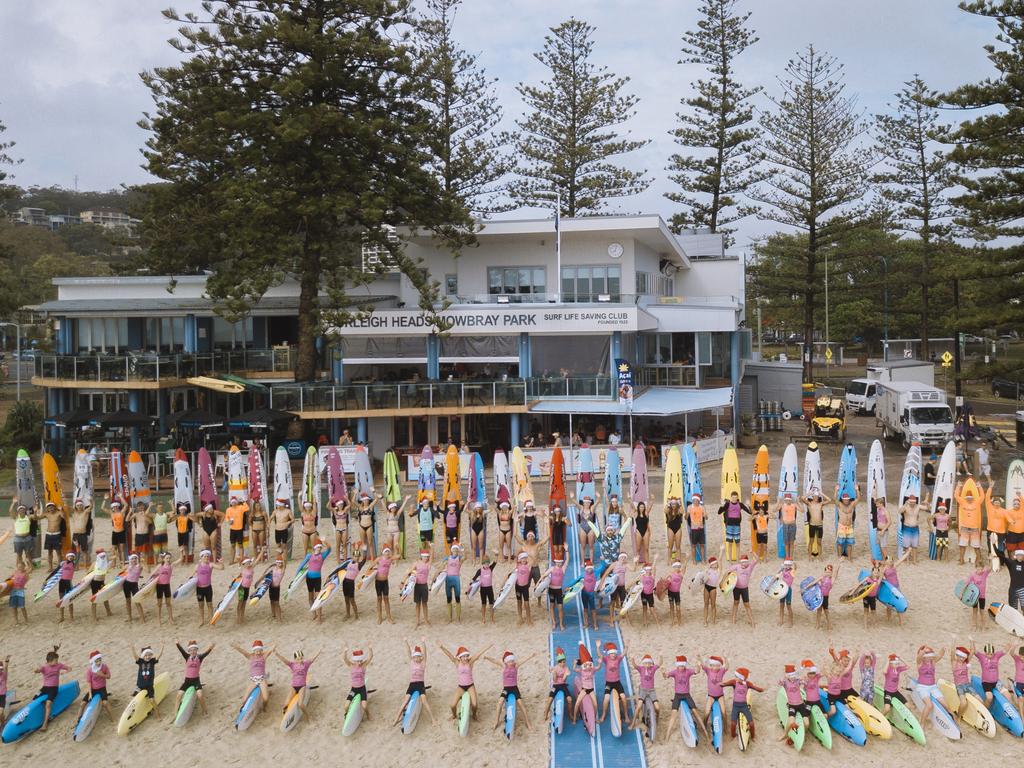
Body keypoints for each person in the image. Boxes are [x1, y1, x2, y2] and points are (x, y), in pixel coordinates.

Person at [484, 649, 537, 734]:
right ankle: (496, 722)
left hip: (514, 688)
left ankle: (528, 723)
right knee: (500, 703)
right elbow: (494, 661)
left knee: (521, 704)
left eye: (513, 661)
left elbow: (524, 660)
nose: (512, 662)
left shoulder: (516, 666)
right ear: (506, 662)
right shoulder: (503, 666)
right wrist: (487, 658)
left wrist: (531, 656)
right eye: (510, 661)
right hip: (506, 689)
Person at [439, 643, 490, 721]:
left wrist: (487, 646)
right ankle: (454, 716)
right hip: (461, 687)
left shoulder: (470, 662)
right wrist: (442, 647)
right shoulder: (457, 662)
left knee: (474, 705)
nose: (466, 658)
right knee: (452, 705)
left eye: (467, 656)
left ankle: (474, 715)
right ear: (460, 657)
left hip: (470, 686)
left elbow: (478, 653)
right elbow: (449, 655)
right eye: (464, 656)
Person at [663, 655, 709, 742]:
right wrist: (663, 673)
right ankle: (667, 735)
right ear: (677, 665)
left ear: (685, 665)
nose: (681, 667)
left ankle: (705, 732)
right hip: (677, 696)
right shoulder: (675, 672)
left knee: (695, 712)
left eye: (683, 665)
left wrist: (698, 664)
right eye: (680, 666)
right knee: (673, 715)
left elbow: (697, 671)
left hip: (687, 695)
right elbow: (665, 676)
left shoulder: (688, 671)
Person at [392, 639, 437, 727]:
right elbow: (408, 652)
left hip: (420, 684)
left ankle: (433, 719)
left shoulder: (423, 663)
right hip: (412, 685)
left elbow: (425, 653)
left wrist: (423, 642)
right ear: (413, 658)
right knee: (405, 701)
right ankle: (396, 719)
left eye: (418, 657)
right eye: (415, 657)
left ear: (421, 657)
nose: (416, 659)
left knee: (424, 701)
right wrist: (406, 642)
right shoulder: (412, 662)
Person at [275, 647, 320, 716]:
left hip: (302, 686)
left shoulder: (306, 664)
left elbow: (313, 658)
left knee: (300, 704)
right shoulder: (292, 665)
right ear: (295, 659)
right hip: (294, 687)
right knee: (285, 704)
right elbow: (284, 660)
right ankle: (286, 715)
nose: (300, 660)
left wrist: (319, 651)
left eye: (301, 658)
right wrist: (277, 654)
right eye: (298, 659)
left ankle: (308, 716)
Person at [230, 639, 274, 710]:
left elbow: (270, 650)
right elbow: (243, 652)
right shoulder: (250, 657)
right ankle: (243, 710)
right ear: (253, 650)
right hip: (253, 680)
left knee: (266, 699)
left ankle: (264, 707)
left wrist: (275, 644)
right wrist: (236, 647)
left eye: (260, 651)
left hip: (262, 679)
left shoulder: (264, 656)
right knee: (244, 700)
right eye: (257, 651)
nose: (258, 652)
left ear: (262, 650)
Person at [174, 640, 214, 716]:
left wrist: (211, 647)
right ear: (189, 651)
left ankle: (205, 710)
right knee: (179, 695)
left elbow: (206, 653)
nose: (193, 652)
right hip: (187, 681)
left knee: (200, 695)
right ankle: (175, 713)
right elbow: (181, 650)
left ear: (197, 650)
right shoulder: (187, 657)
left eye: (195, 650)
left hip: (196, 680)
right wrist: (177, 643)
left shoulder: (200, 657)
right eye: (191, 650)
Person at [35, 645, 71, 731]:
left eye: (57, 660)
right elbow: (36, 670)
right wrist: (37, 669)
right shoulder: (44, 667)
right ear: (49, 662)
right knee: (35, 699)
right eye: (56, 660)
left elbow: (69, 668)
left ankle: (45, 724)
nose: (57, 662)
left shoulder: (58, 665)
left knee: (48, 704)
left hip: (53, 689)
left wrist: (64, 673)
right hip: (45, 688)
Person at [628, 653, 661, 738]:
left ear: (651, 663)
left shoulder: (653, 669)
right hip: (643, 691)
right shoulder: (641, 669)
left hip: (651, 691)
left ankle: (657, 719)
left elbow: (660, 663)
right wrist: (632, 659)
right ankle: (633, 723)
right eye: (645, 663)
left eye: (649, 663)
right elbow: (635, 666)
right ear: (643, 663)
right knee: (638, 707)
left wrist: (660, 656)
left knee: (657, 708)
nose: (647, 665)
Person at [913, 645, 945, 731]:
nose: (929, 657)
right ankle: (922, 723)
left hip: (933, 687)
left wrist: (943, 648)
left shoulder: (933, 662)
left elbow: (941, 655)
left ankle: (952, 717)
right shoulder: (919, 662)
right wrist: (924, 650)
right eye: (928, 655)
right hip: (923, 687)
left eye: (930, 655)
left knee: (945, 704)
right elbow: (919, 656)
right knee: (929, 705)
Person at [129, 643, 164, 719]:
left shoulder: (152, 661)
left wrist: (162, 647)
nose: (147, 657)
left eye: (149, 655)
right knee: (135, 700)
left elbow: (159, 656)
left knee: (152, 700)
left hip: (149, 686)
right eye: (146, 655)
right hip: (140, 685)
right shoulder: (140, 661)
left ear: (151, 655)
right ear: (143, 656)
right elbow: (135, 656)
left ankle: (158, 715)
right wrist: (132, 649)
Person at [193, 549, 224, 627]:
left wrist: (222, 563)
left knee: (209, 604)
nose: (206, 558)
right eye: (205, 556)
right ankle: (202, 620)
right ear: (201, 557)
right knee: (201, 605)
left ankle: (211, 620)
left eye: (208, 556)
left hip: (208, 588)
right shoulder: (197, 566)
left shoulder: (211, 565)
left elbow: (221, 568)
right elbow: (193, 577)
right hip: (199, 589)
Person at [955, 480, 984, 565]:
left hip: (974, 528)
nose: (969, 499)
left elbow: (982, 496)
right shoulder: (962, 502)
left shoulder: (977, 502)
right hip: (964, 527)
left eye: (970, 498)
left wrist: (979, 487)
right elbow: (956, 496)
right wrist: (958, 486)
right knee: (962, 545)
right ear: (966, 498)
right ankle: (961, 560)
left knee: (976, 546)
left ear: (973, 498)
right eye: (968, 498)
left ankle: (979, 560)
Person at [779, 663, 807, 747]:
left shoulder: (798, 681)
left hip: (801, 704)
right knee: (791, 722)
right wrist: (785, 676)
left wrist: (802, 674)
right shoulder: (785, 683)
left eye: (793, 675)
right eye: (790, 675)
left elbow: (804, 682)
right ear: (787, 676)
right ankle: (785, 734)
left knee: (807, 723)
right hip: (792, 706)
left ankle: (803, 734)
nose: (792, 677)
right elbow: (779, 682)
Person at [342, 646, 374, 720]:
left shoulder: (364, 665)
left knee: (364, 706)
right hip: (354, 690)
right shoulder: (351, 665)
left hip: (362, 689)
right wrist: (345, 651)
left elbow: (371, 656)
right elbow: (344, 659)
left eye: (360, 660)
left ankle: (368, 714)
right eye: (358, 661)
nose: (359, 662)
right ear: (354, 660)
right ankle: (347, 714)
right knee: (346, 706)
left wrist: (370, 648)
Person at [700, 654, 729, 734]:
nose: (715, 668)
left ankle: (726, 728)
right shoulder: (708, 671)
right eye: (713, 666)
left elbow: (727, 667)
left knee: (723, 712)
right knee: (706, 712)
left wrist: (726, 659)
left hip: (720, 696)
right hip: (711, 696)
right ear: (711, 665)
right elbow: (703, 665)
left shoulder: (721, 671)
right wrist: (699, 658)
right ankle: (704, 726)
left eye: (717, 666)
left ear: (719, 666)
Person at [728, 551, 758, 628]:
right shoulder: (737, 566)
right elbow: (728, 571)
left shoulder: (750, 567)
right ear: (740, 563)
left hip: (744, 589)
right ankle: (733, 619)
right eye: (742, 563)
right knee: (736, 603)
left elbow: (756, 559)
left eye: (745, 563)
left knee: (747, 605)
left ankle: (752, 621)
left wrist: (753, 552)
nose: (743, 564)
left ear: (747, 562)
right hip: (736, 588)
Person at [973, 639, 1005, 708]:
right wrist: (972, 642)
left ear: (993, 652)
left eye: (991, 654)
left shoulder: (997, 655)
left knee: (1007, 695)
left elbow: (1005, 651)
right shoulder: (982, 657)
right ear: (985, 652)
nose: (989, 655)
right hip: (986, 682)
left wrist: (1012, 644)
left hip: (996, 682)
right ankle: (985, 709)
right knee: (989, 698)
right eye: (987, 654)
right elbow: (974, 651)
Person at [718, 492, 748, 564]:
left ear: (737, 498)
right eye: (733, 497)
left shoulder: (740, 504)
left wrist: (749, 505)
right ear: (731, 498)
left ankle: (738, 560)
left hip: (737, 526)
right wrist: (722, 505)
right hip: (729, 526)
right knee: (730, 544)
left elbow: (749, 512)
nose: (734, 499)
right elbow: (719, 512)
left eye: (735, 497)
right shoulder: (728, 504)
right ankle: (730, 561)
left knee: (738, 544)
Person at [543, 647, 572, 723]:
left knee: (570, 700)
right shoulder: (555, 668)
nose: (563, 664)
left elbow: (564, 680)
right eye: (561, 662)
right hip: (555, 685)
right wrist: (554, 673)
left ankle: (570, 714)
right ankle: (545, 713)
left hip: (563, 685)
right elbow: (555, 680)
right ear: (558, 662)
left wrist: (566, 675)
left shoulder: (566, 668)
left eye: (564, 662)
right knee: (550, 700)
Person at [540, 556, 566, 630]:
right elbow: (544, 575)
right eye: (557, 562)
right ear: (555, 562)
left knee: (560, 607)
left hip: (559, 590)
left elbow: (567, 559)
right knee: (552, 606)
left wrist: (566, 550)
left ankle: (561, 624)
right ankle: (554, 622)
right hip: (551, 590)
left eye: (560, 562)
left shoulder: (563, 569)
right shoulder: (552, 568)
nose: (559, 563)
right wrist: (538, 584)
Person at [833, 486, 859, 559]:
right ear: (842, 500)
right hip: (842, 526)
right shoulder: (840, 505)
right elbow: (834, 499)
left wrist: (857, 490)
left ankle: (850, 558)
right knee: (840, 543)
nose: (846, 501)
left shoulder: (852, 504)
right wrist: (836, 490)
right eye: (845, 500)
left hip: (849, 526)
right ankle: (839, 557)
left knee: (850, 543)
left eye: (847, 500)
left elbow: (858, 498)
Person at [997, 542, 1024, 611]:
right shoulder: (1011, 563)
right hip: (1013, 589)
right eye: (1018, 555)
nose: (1020, 556)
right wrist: (994, 544)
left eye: (1021, 555)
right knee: (1013, 609)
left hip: (1022, 589)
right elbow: (1000, 555)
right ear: (1016, 555)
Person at [306, 542, 328, 624]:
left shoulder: (322, 556)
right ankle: (314, 614)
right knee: (310, 597)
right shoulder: (309, 555)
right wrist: (296, 575)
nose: (319, 548)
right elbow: (302, 565)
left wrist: (325, 541)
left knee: (318, 598)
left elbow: (329, 549)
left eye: (320, 547)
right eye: (318, 547)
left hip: (317, 579)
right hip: (308, 578)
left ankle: (319, 617)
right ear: (314, 548)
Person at [123, 552, 147, 624]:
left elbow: (148, 570)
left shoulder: (140, 566)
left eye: (135, 558)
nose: (134, 560)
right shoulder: (127, 566)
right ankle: (129, 617)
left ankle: (142, 618)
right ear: (130, 559)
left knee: (137, 601)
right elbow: (122, 572)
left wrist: (144, 561)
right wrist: (127, 566)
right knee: (128, 601)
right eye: (132, 558)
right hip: (126, 584)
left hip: (134, 585)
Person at [702, 549, 725, 626]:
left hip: (713, 588)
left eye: (716, 563)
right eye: (714, 563)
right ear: (711, 565)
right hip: (706, 587)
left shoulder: (718, 571)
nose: (716, 564)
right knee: (705, 604)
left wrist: (721, 551)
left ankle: (714, 620)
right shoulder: (708, 570)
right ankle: (705, 621)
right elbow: (702, 577)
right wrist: (708, 567)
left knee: (713, 604)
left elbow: (720, 560)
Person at [373, 547, 395, 624]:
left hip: (385, 582)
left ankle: (389, 617)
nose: (387, 553)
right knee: (379, 599)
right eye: (386, 551)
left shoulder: (390, 559)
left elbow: (399, 556)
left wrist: (397, 548)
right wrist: (368, 576)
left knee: (386, 599)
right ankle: (379, 617)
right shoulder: (379, 559)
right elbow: (370, 566)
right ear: (383, 552)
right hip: (378, 582)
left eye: (388, 552)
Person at [56, 551, 77, 623]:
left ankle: (71, 617)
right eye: (69, 556)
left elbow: (79, 555)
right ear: (67, 557)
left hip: (68, 583)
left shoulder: (73, 564)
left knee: (70, 600)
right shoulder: (62, 563)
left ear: (74, 558)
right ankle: (62, 617)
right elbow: (55, 572)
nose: (71, 557)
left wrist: (77, 547)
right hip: (61, 582)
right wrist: (47, 580)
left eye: (72, 556)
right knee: (61, 600)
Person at [8, 559, 29, 625]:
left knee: (22, 607)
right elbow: (9, 580)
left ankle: (26, 620)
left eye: (21, 567)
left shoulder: (25, 574)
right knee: (14, 607)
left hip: (20, 592)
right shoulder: (14, 573)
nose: (20, 568)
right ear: (17, 567)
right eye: (19, 567)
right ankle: (16, 620)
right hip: (13, 592)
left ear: (24, 567)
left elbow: (31, 568)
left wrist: (28, 561)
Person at [776, 560, 796, 628]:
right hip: (782, 589)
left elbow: (795, 567)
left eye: (788, 565)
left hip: (788, 590)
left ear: (790, 565)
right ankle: (781, 620)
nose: (787, 566)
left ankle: (791, 621)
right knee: (781, 605)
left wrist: (792, 563)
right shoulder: (783, 570)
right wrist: (781, 568)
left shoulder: (792, 571)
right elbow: (777, 575)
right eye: (786, 565)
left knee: (788, 606)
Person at [0, 655, 9, 729]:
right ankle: (2, 723)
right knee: (1, 714)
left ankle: (3, 724)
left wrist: (6, 661)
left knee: (0, 712)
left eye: (1, 669)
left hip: (2, 696)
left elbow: (6, 668)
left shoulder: (4, 675)